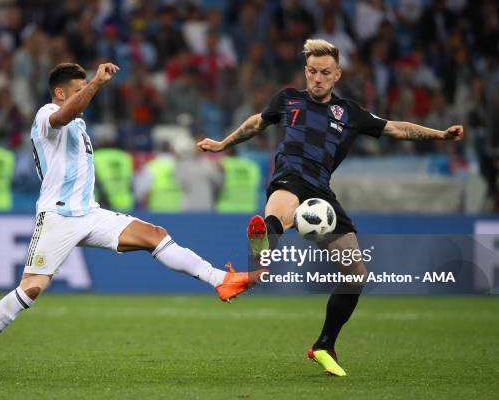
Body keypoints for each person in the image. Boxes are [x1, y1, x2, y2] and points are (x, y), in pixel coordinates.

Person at [0, 62, 264, 376]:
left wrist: (91, 88)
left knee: (154, 234)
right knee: (32, 288)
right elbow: (63, 115)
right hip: (57, 215)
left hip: (90, 213)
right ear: (60, 92)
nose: (85, 93)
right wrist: (96, 83)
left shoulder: (81, 126)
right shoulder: (46, 114)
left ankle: (220, 281)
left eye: (85, 87)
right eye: (78, 89)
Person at [197, 39, 464, 376]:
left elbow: (396, 128)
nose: (317, 78)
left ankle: (324, 344)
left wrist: (440, 134)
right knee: (278, 211)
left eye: (325, 73)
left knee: (355, 275)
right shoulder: (288, 99)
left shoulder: (349, 113)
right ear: (305, 71)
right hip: (290, 177)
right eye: (312, 71)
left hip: (322, 193)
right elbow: (256, 123)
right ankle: (260, 256)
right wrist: (223, 143)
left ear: (337, 75)